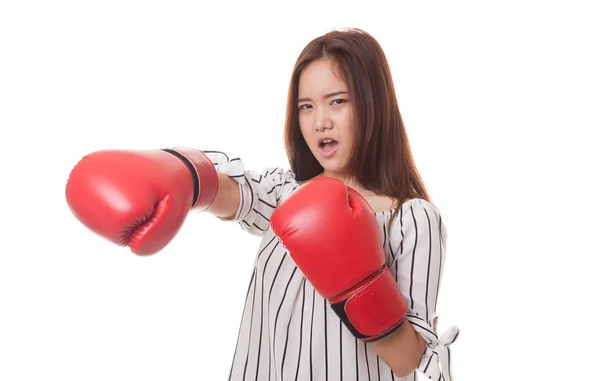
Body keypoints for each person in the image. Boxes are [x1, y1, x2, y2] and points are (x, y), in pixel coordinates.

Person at [65, 28, 459, 380]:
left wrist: (359, 284)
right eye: (306, 106)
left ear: (373, 105)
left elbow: (412, 362)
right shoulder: (288, 193)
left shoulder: (412, 220)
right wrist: (181, 173)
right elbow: (232, 195)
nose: (320, 121)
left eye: (337, 101)